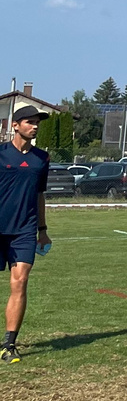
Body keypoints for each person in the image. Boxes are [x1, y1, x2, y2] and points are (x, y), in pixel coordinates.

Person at [0, 106, 50, 365]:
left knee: (20, 282)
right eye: (30, 122)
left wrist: (43, 230)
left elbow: (40, 195)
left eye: (37, 122)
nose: (35, 126)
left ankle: (9, 344)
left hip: (24, 231)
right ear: (15, 125)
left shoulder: (42, 158)